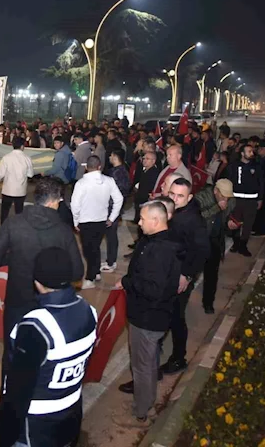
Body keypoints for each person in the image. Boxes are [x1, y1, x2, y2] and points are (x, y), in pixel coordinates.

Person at [0, 178, 85, 419]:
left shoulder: (15, 223)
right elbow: (77, 272)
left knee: (12, 355)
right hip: (50, 306)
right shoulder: (63, 230)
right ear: (54, 201)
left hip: (17, 302)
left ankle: (7, 406)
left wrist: (14, 257)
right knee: (46, 355)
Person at [0, 247, 97, 447]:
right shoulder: (89, 311)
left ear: (37, 281)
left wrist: (5, 434)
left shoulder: (35, 326)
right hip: (70, 418)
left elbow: (18, 390)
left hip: (34, 429)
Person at [113, 201, 182, 428]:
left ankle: (140, 412)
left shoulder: (159, 251)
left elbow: (153, 289)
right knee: (149, 363)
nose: (139, 222)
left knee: (142, 367)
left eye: (142, 219)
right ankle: (147, 402)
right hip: (152, 315)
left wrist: (128, 282)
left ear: (156, 220)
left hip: (147, 318)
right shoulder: (158, 242)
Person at [162, 177, 209, 374]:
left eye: (180, 196)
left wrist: (187, 275)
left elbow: (202, 251)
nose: (175, 199)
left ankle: (178, 358)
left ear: (189, 198)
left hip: (181, 276)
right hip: (168, 272)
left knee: (176, 316)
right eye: (172, 194)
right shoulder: (172, 210)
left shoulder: (193, 220)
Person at [70, 155, 124, 289]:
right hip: (102, 220)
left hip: (85, 221)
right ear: (99, 167)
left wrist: (75, 221)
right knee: (95, 247)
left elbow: (75, 205)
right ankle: (96, 272)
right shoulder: (109, 181)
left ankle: (90, 278)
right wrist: (112, 217)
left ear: (86, 167)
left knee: (89, 250)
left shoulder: (81, 183)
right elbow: (119, 199)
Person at [194, 179, 237, 314]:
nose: (226, 199)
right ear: (215, 191)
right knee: (193, 273)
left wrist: (230, 224)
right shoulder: (201, 197)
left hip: (216, 240)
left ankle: (208, 303)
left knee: (212, 274)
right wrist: (217, 207)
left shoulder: (231, 201)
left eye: (228, 197)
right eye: (223, 196)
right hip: (200, 240)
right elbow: (197, 217)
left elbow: (229, 216)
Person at [228, 143, 262, 257]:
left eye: (252, 151)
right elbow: (229, 181)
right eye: (249, 151)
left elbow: (261, 183)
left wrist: (260, 198)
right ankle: (236, 243)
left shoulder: (256, 166)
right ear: (242, 153)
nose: (251, 153)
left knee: (248, 224)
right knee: (235, 222)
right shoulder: (234, 165)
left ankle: (243, 245)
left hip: (251, 200)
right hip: (236, 199)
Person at [0, 137, 34, 223]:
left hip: (8, 189)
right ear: (22, 146)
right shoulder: (27, 158)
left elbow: (0, 174)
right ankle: (18, 228)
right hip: (20, 190)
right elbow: (30, 174)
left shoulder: (6, 157)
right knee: (19, 211)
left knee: (5, 211)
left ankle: (3, 228)